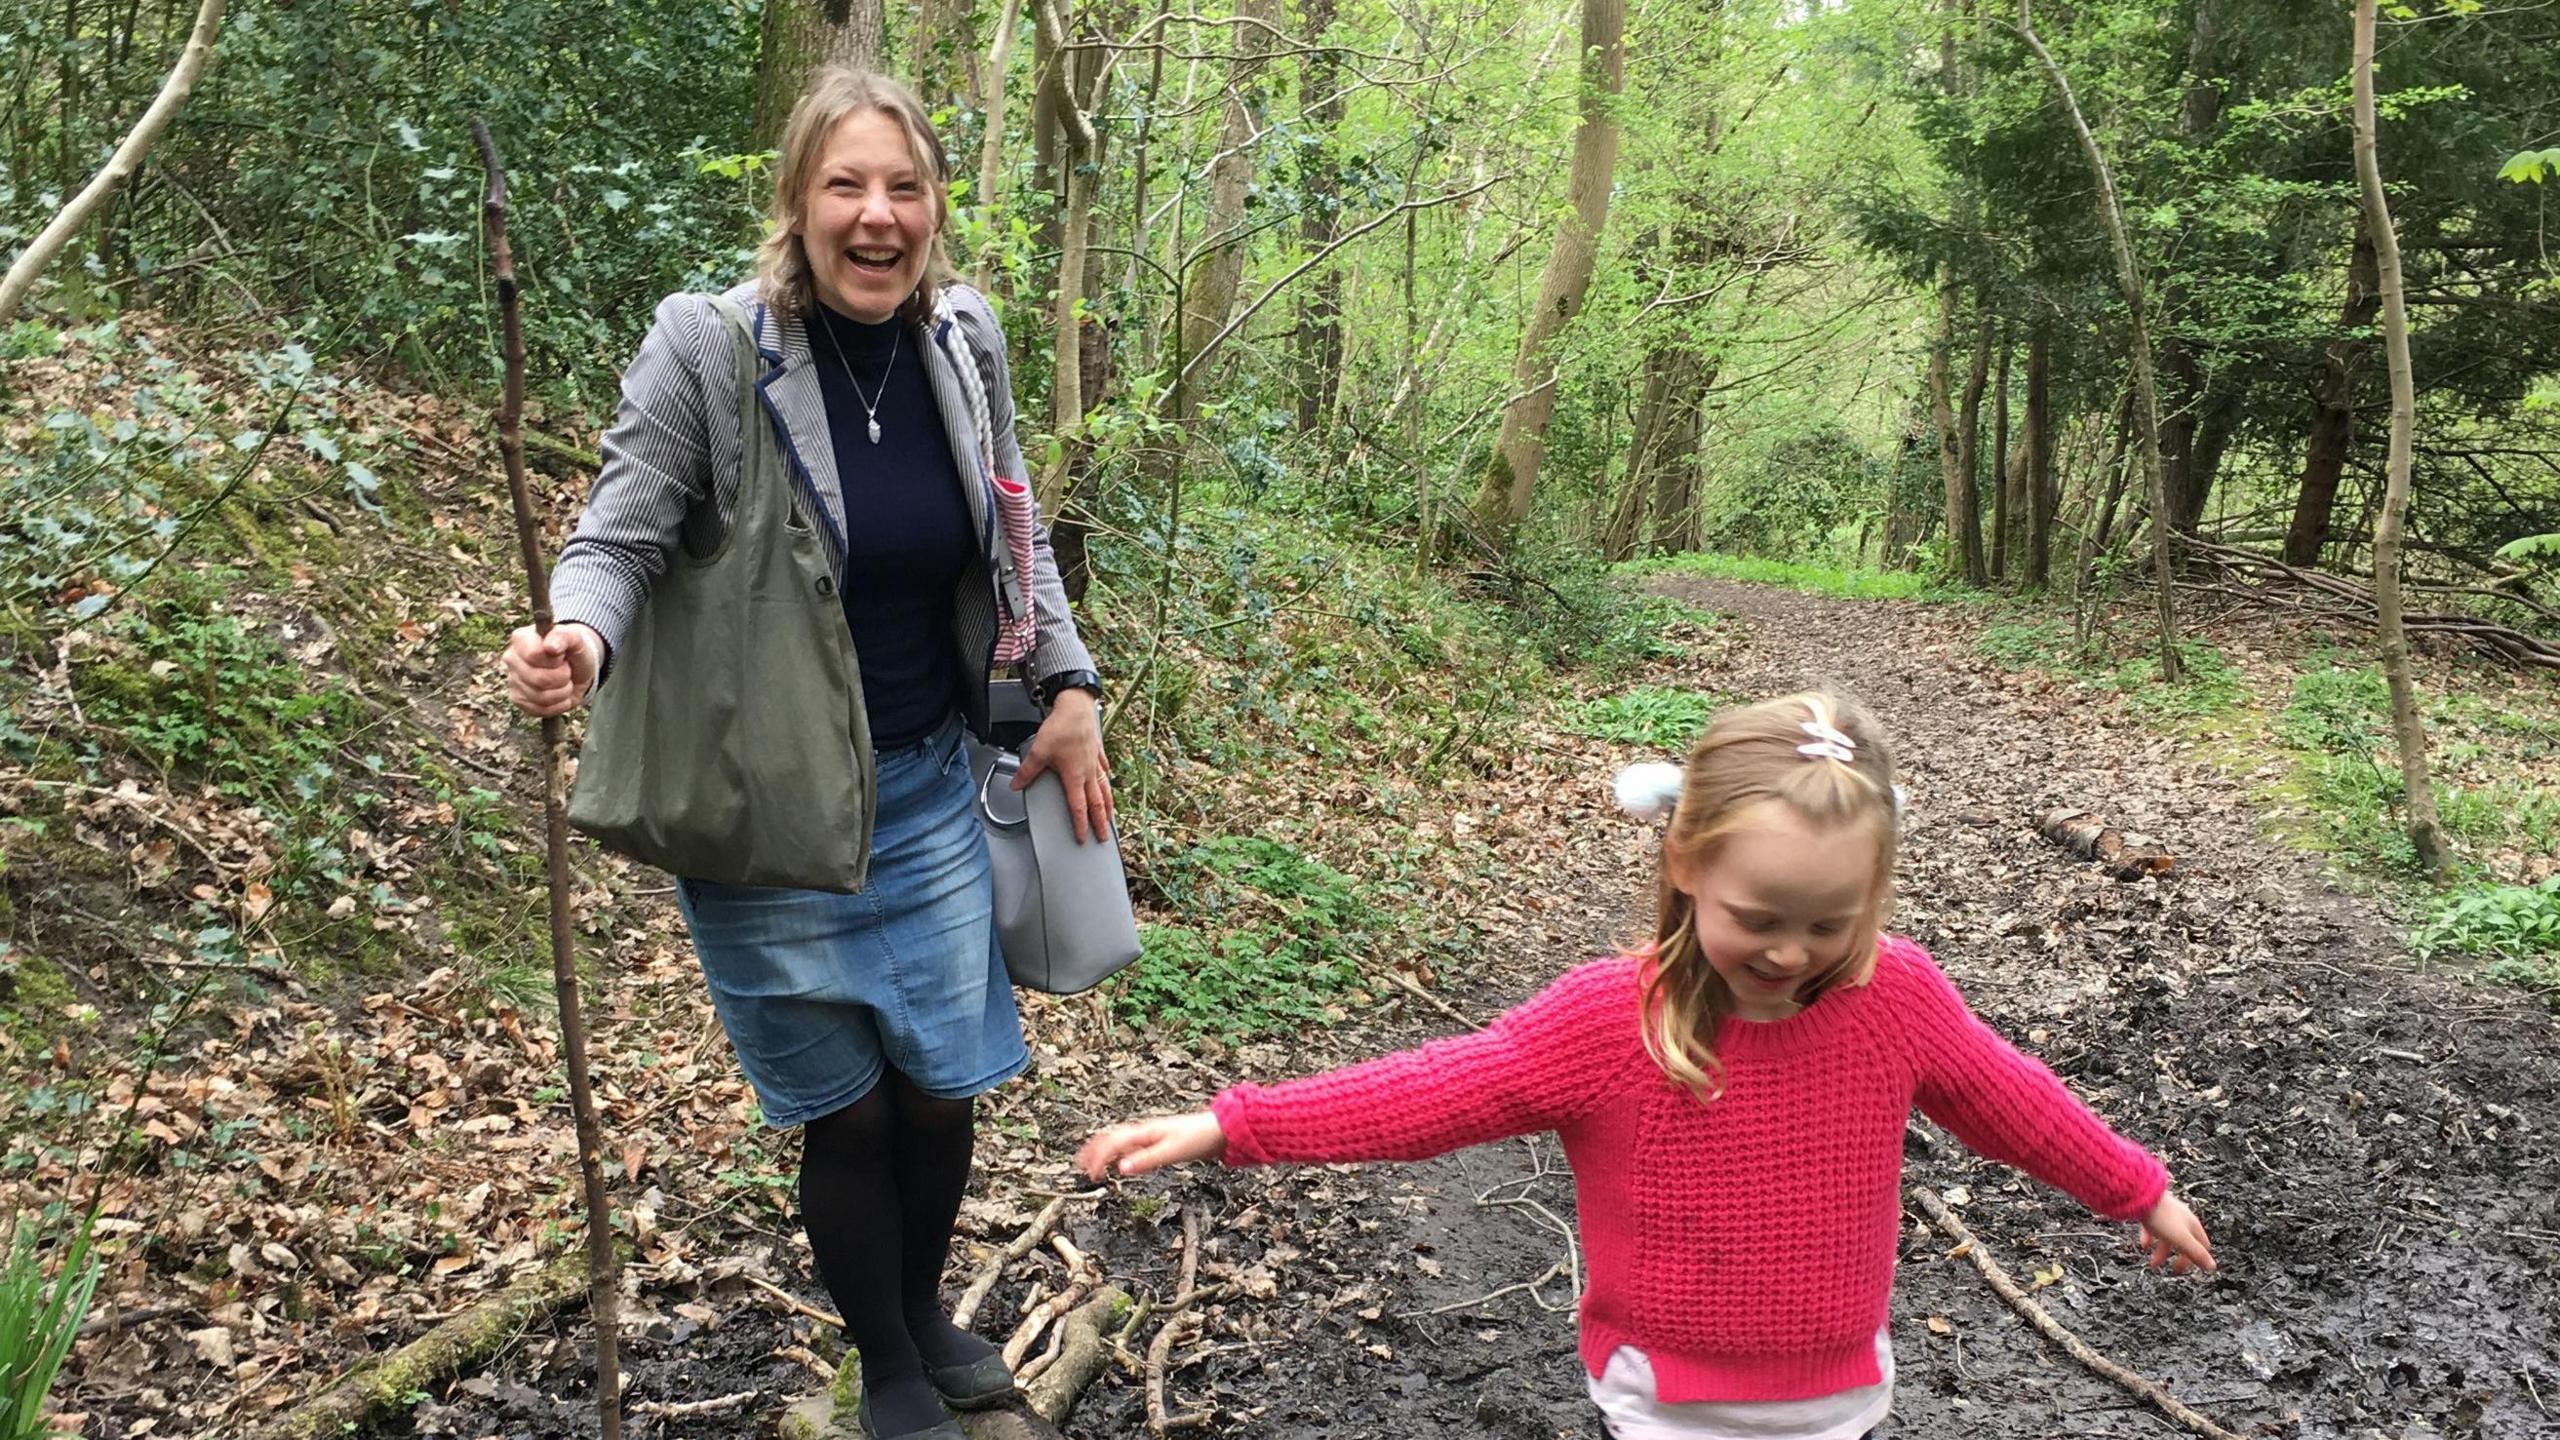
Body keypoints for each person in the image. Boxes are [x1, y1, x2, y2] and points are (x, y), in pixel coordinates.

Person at [1078, 692, 2215, 1440]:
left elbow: (2015, 1103)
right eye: (1759, 916)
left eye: (1830, 923)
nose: (1790, 952)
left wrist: (2137, 1189)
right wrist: (1236, 1123)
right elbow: (1433, 1093)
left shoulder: (1896, 996)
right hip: (1663, 1393)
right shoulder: (1606, 1020)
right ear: (1683, 862)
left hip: (1838, 1388)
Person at [499, 68, 1107, 1440]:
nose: (877, 215)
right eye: (847, 185)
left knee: (942, 1083)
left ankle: (929, 1309)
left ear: (937, 204)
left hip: (929, 787)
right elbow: (619, 532)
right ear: (797, 200)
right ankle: (888, 1365)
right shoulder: (709, 349)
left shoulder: (965, 338)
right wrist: (576, 643)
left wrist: (1065, 683)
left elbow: (1013, 533)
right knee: (850, 1110)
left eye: (904, 186)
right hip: (765, 807)